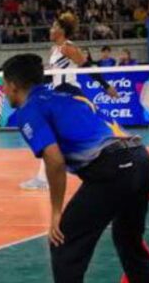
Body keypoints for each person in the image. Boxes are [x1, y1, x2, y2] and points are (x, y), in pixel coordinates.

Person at [2, 54, 149, 283]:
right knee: (129, 242)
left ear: (14, 85)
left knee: (64, 244)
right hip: (142, 162)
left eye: (5, 87)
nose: (4, 93)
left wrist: (56, 213)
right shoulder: (67, 93)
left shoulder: (29, 110)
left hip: (112, 171)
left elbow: (55, 161)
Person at [21, 12, 119, 190]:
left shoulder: (69, 48)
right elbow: (52, 77)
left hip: (70, 93)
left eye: (53, 27)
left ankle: (44, 179)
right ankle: (44, 178)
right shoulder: (54, 50)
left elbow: (88, 68)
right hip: (58, 92)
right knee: (53, 136)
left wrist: (106, 87)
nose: (50, 30)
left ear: (61, 30)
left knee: (51, 134)